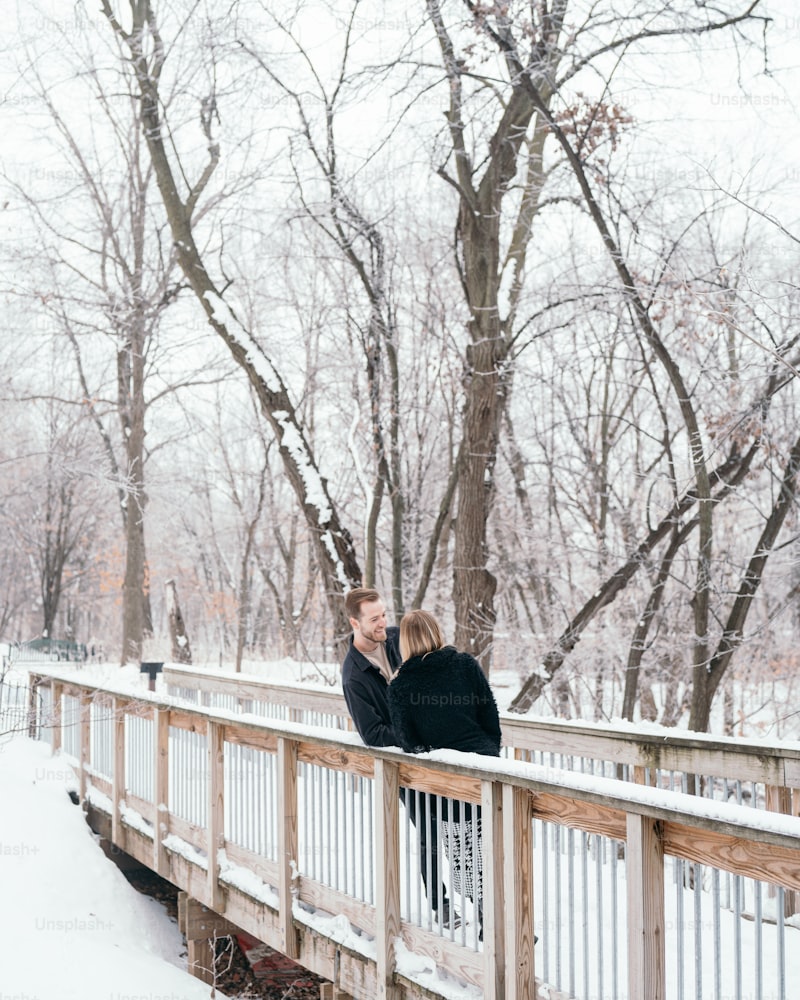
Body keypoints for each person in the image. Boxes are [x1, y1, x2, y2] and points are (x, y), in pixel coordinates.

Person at [341, 588, 453, 923]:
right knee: (431, 830)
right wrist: (414, 735)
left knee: (464, 823)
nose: (383, 623)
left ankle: (482, 903)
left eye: (384, 615)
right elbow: (373, 734)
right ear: (354, 622)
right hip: (405, 763)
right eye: (374, 619)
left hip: (439, 749)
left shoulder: (395, 640)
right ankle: (441, 903)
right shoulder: (354, 676)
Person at [387, 609, 502, 939]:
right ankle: (493, 915)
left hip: (446, 785)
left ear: (405, 642)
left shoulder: (401, 685)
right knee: (490, 847)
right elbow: (489, 714)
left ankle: (488, 916)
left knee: (464, 851)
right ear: (437, 631)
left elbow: (408, 741)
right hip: (485, 770)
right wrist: (488, 753)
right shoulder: (465, 664)